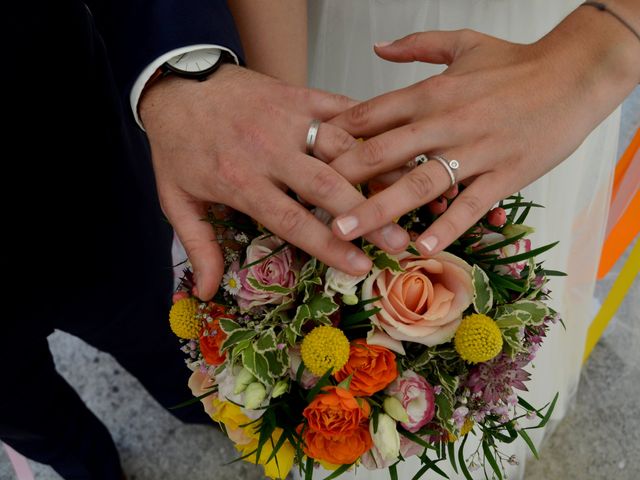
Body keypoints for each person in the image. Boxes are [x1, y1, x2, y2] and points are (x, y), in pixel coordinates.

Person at [230, 0, 639, 478]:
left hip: (543, 50)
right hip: (322, 28)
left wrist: (595, 53)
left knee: (508, 242)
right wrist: (283, 113)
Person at [1, 1, 400, 478]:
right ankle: (84, 461)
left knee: (165, 336)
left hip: (80, 170)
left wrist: (178, 69)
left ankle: (199, 404)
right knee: (28, 416)